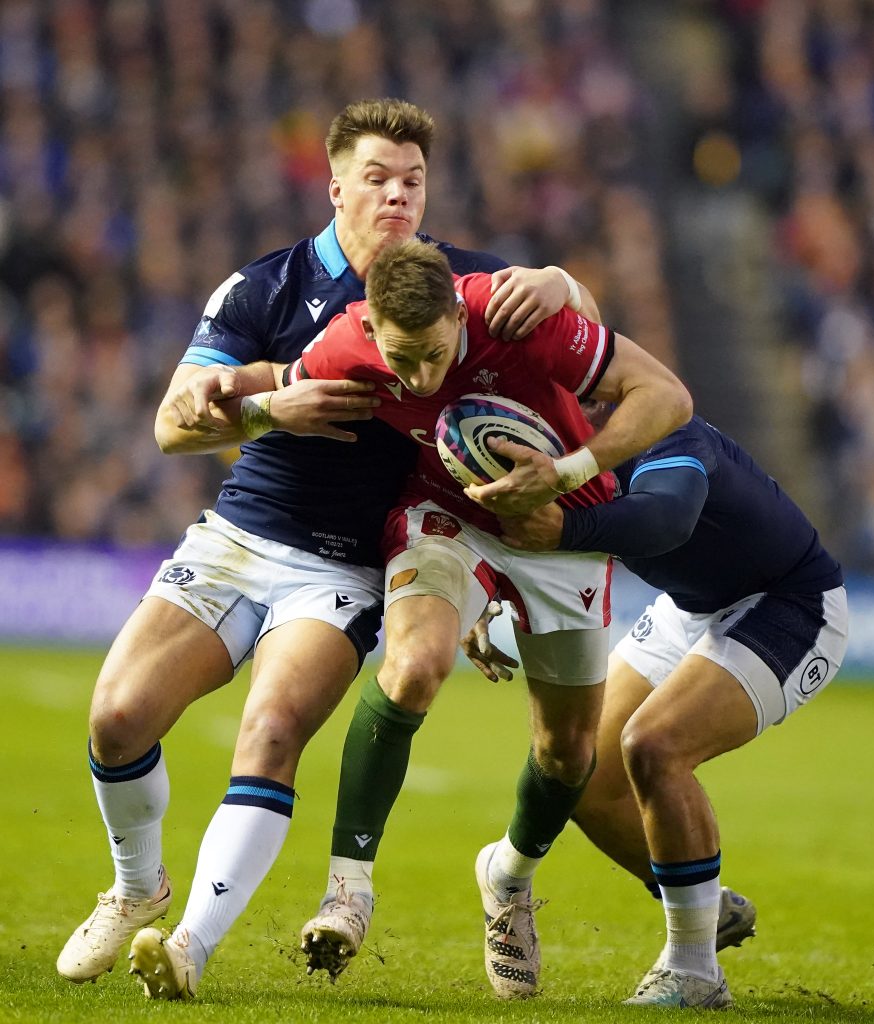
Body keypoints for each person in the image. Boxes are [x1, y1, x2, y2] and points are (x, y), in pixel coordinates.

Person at [55, 98, 590, 1002]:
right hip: (238, 537)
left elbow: (577, 334)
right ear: (334, 184)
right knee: (116, 718)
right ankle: (136, 886)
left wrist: (564, 282)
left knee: (268, 735)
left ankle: (187, 948)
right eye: (377, 178)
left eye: (412, 181)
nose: (396, 196)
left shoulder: (457, 285)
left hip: (342, 565)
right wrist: (270, 409)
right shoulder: (263, 288)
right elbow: (171, 425)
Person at [199, 236, 693, 998]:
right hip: (445, 515)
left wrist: (564, 474)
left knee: (566, 754)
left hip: (560, 521)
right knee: (413, 667)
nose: (419, 376)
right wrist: (228, 384)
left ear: (458, 316)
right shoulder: (350, 340)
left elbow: (666, 396)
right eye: (402, 360)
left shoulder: (514, 315)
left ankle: (509, 882)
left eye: (433, 353)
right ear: (373, 333)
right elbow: (284, 377)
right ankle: (347, 892)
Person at [488, 408, 848, 1008]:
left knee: (654, 746)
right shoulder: (556, 435)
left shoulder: (658, 424)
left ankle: (693, 968)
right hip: (691, 606)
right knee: (584, 770)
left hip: (790, 603)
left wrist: (565, 530)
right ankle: (707, 911)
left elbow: (667, 517)